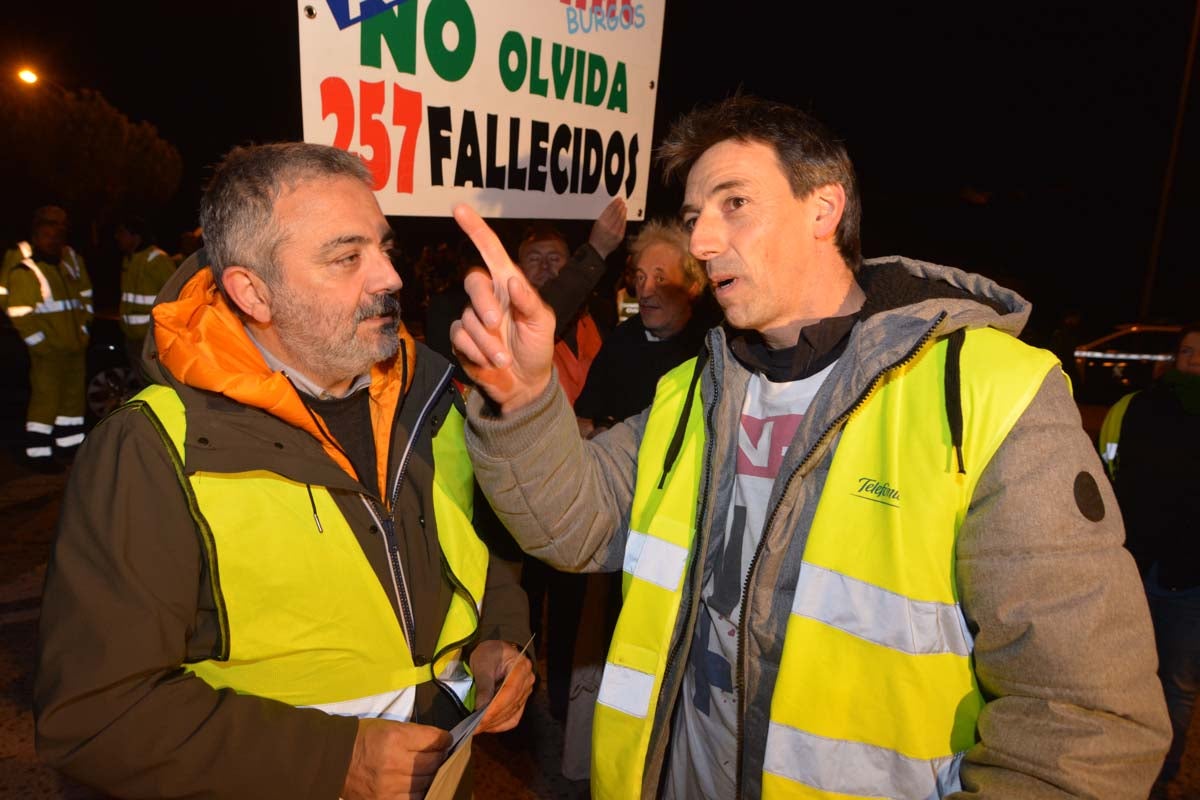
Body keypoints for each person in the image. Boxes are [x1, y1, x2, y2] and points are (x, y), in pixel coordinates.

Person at [448, 95, 1170, 799]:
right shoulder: (696, 391)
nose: (700, 241)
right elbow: (573, 525)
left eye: (734, 204)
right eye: (696, 217)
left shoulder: (985, 392)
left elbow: (1082, 721)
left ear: (823, 209)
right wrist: (521, 400)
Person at [34, 142, 534, 800]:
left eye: (383, 247)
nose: (390, 277)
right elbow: (98, 716)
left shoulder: (423, 398)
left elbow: (468, 554)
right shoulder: (154, 447)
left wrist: (498, 640)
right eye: (347, 256)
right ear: (253, 292)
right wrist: (334, 763)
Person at [1099, 322, 1200, 800]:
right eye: (1187, 350)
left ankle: (1162, 779)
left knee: (1176, 684)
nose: (1194, 358)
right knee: (1117, 676)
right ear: (1174, 355)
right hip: (1134, 565)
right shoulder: (1136, 406)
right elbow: (1107, 468)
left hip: (1189, 575)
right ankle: (1122, 771)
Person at [575, 219, 719, 437]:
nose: (646, 290)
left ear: (693, 286)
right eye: (641, 277)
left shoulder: (714, 349)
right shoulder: (621, 342)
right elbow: (583, 420)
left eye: (660, 278)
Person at [0, 204, 92, 472]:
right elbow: (18, 309)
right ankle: (39, 454)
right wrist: (39, 343)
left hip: (72, 346)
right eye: (50, 229)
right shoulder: (25, 266)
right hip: (49, 349)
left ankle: (69, 447)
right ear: (37, 231)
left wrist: (83, 331)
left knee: (71, 402)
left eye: (60, 229)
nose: (56, 235)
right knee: (46, 401)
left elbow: (81, 298)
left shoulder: (65, 262)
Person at [115, 213, 176, 371]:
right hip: (133, 338)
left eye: (122, 233)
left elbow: (175, 297)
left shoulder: (157, 259)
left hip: (152, 340)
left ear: (136, 236)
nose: (118, 237)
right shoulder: (129, 259)